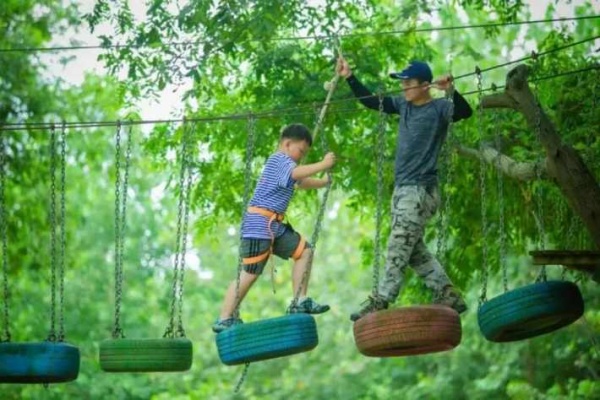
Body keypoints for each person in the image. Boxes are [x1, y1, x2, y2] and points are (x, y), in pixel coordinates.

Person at [336, 57, 473, 321]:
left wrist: (451, 91)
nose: (403, 88)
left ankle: (382, 298)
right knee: (414, 251)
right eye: (402, 83)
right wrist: (349, 77)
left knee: (398, 244)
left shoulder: (439, 108)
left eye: (408, 83)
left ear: (425, 85)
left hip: (420, 190)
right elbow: (370, 101)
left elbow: (465, 113)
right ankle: (449, 295)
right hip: (402, 191)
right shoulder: (403, 105)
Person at [212, 123, 336, 333]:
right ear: (287, 144)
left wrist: (323, 182)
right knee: (250, 273)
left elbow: (301, 182)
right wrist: (323, 164)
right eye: (301, 151)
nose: (301, 156)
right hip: (258, 226)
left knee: (305, 250)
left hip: (274, 226)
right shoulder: (279, 160)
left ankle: (300, 299)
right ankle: (224, 317)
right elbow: (297, 174)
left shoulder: (288, 166)